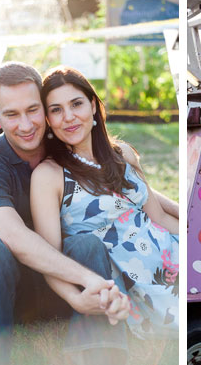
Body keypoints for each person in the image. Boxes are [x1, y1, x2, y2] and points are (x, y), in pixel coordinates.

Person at [0, 62, 130, 365]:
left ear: (46, 108)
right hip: (12, 295)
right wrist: (89, 280)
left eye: (32, 110)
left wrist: (178, 212)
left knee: (87, 244)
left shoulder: (67, 144)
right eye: (11, 114)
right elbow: (15, 237)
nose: (25, 125)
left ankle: (100, 355)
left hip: (67, 290)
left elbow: (126, 185)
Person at [30, 65, 180, 339]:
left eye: (76, 104)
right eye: (56, 110)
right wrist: (77, 298)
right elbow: (50, 257)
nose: (69, 117)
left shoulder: (123, 154)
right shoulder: (49, 176)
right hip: (137, 283)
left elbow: (159, 218)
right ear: (48, 120)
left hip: (173, 254)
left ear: (93, 107)